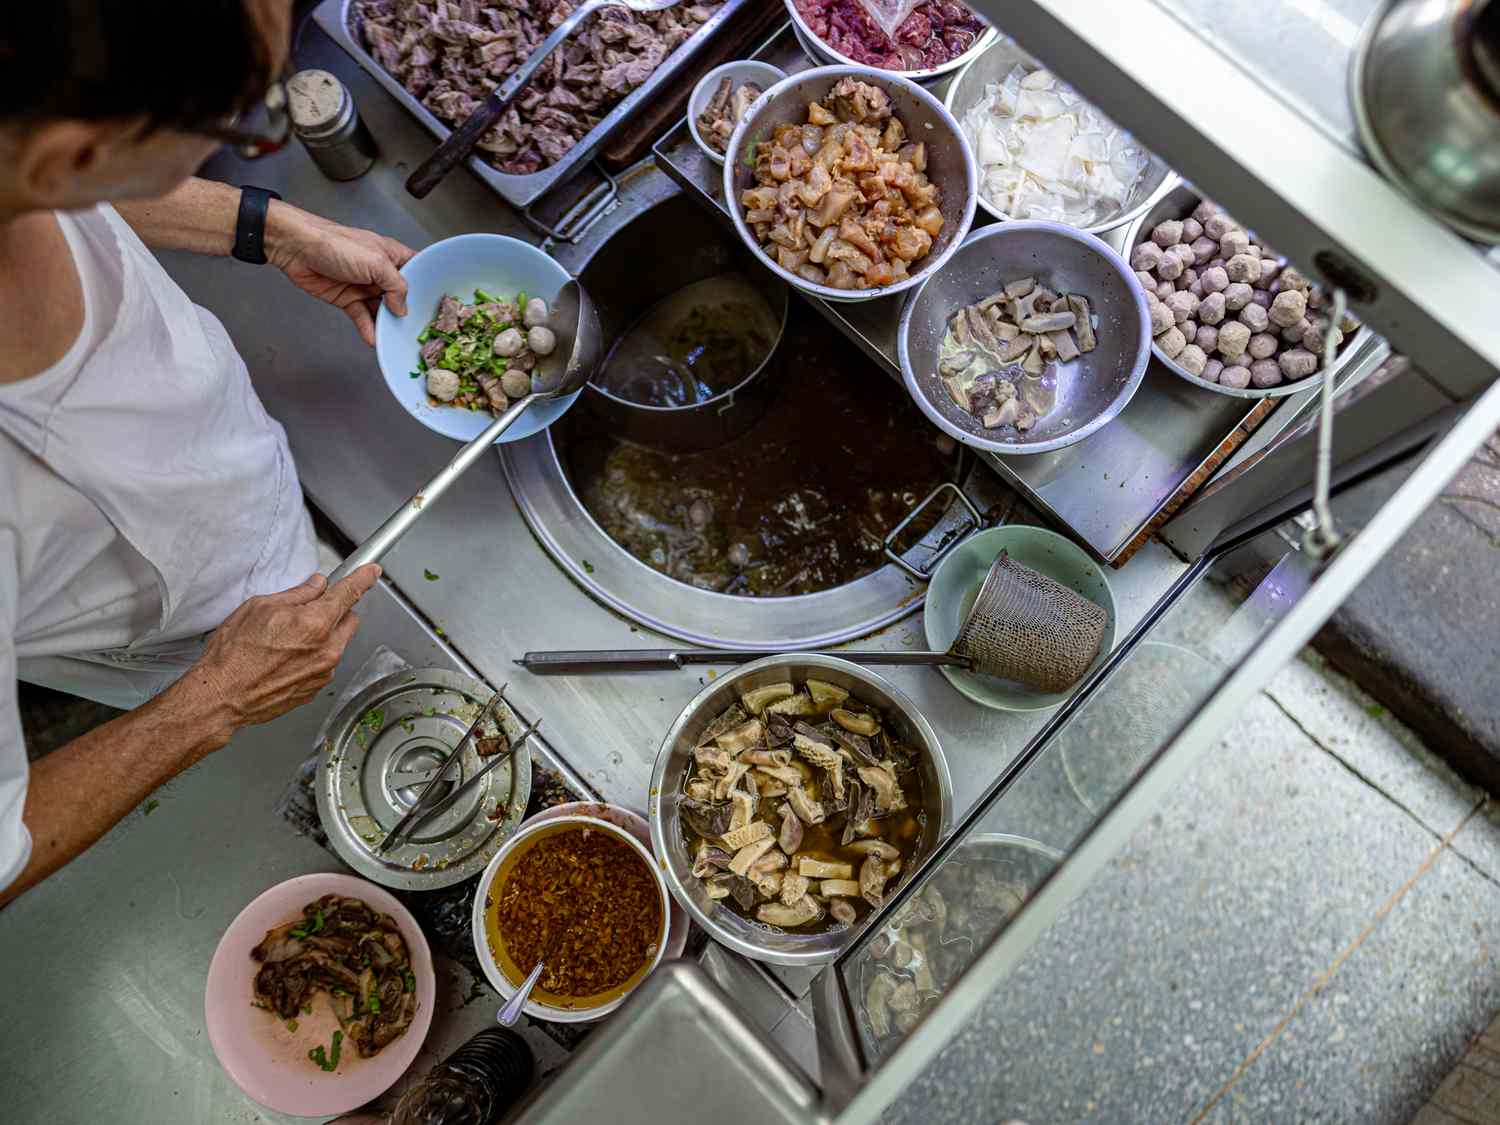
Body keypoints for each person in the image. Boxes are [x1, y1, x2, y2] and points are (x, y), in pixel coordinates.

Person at [0, 1, 415, 905]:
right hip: (182, 646)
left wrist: (270, 226)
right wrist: (214, 700)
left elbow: (80, 189)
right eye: (252, 121)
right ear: (75, 153)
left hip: (243, 494)